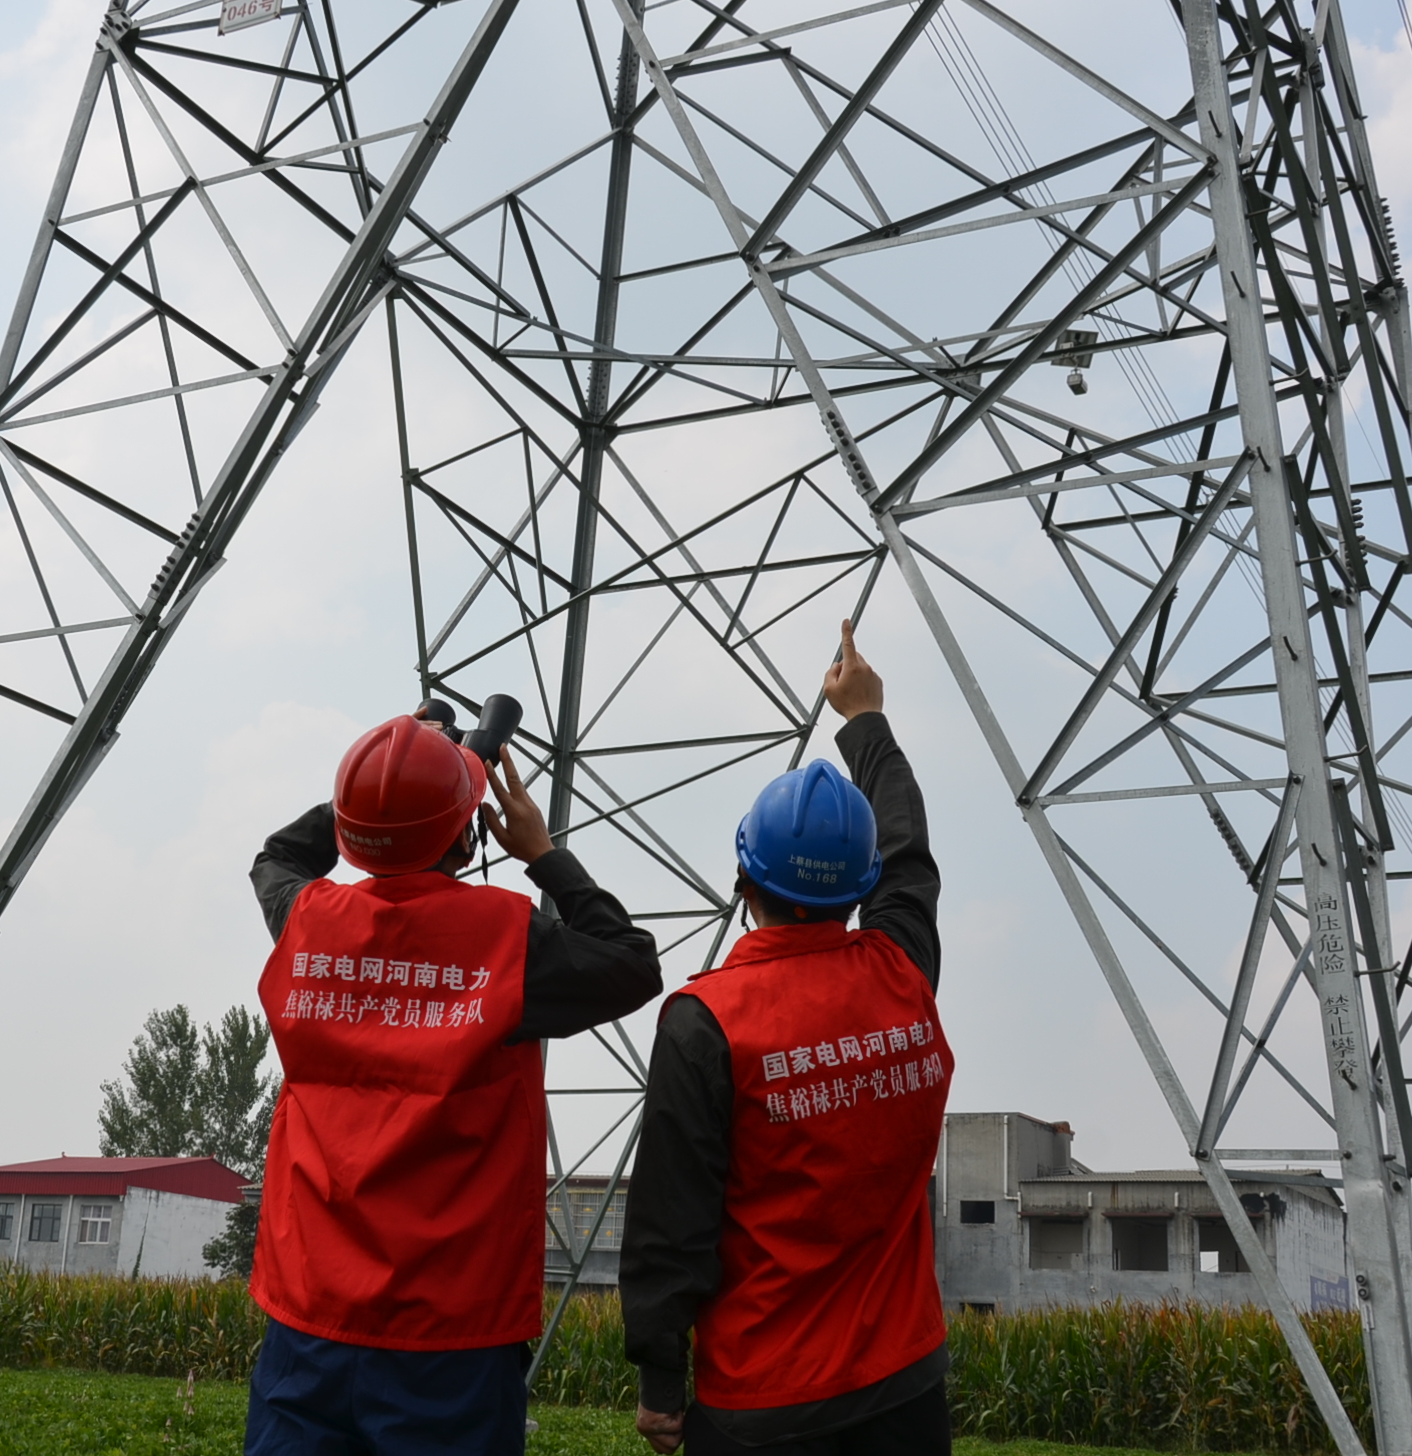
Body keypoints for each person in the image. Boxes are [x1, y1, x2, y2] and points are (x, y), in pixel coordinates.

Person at [246, 709, 664, 1456]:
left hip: (307, 1316)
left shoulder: (309, 920)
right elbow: (631, 962)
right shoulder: (508, 939)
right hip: (452, 1332)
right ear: (467, 834)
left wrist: (383, 784)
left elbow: (278, 855)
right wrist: (542, 856)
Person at [620, 620, 951, 1456]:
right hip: (908, 1389)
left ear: (743, 879)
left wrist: (662, 1382)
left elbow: (669, 1222)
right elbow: (909, 857)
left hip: (763, 1407)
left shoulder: (709, 1022)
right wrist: (866, 722)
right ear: (861, 886)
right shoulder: (902, 974)